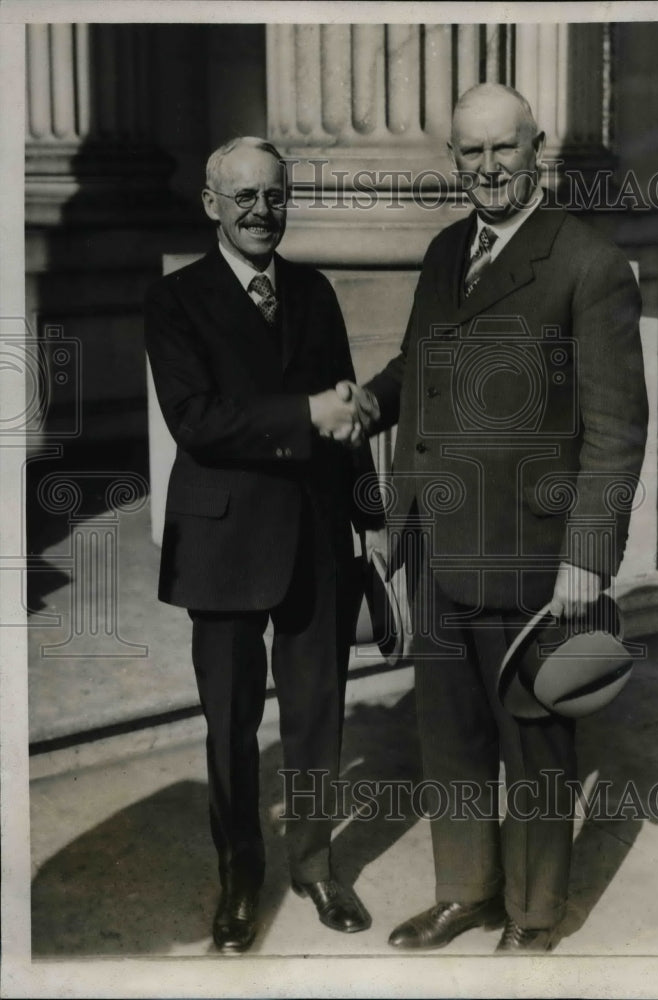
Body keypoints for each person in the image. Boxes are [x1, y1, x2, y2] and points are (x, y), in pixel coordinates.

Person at [341, 83, 649, 952]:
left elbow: (618, 430)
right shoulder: (446, 251)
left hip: (533, 553)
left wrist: (587, 557)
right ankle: (465, 891)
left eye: (501, 149)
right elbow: (418, 363)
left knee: (535, 744)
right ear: (454, 158)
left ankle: (533, 916)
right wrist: (372, 401)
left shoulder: (588, 264)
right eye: (468, 152)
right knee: (451, 738)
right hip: (435, 542)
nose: (485, 168)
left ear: (536, 149)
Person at [144, 136, 382, 954]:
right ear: (211, 204)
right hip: (224, 545)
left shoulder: (314, 291)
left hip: (317, 536)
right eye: (243, 196)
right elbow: (195, 421)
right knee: (231, 725)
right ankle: (240, 878)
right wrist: (302, 415)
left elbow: (347, 417)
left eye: (274, 196)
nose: (261, 211)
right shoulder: (175, 301)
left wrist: (371, 523)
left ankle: (314, 865)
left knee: (316, 715)